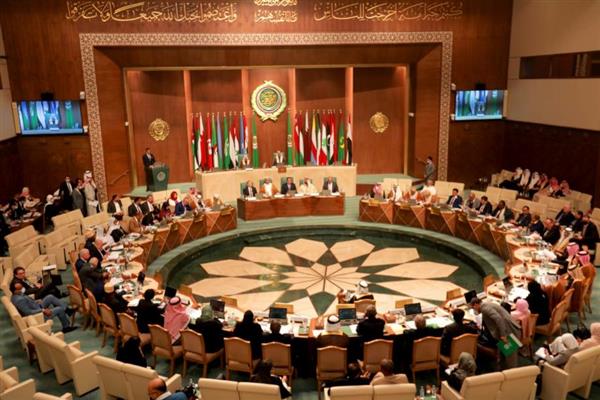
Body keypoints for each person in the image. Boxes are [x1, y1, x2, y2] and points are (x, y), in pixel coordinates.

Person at [470, 297, 520, 369]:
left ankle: (512, 374)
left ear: (475, 304)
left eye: (473, 308)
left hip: (508, 332)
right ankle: (502, 371)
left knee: (510, 359)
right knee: (502, 356)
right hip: (505, 330)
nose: (474, 310)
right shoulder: (486, 305)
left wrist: (503, 335)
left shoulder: (484, 308)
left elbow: (498, 319)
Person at [11, 282, 77, 333]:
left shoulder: (15, 295)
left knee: (50, 297)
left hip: (37, 306)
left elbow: (28, 302)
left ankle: (67, 310)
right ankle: (66, 327)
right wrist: (42, 310)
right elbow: (28, 312)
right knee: (59, 309)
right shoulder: (19, 300)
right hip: (38, 315)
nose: (22, 289)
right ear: (15, 290)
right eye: (20, 289)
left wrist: (36, 301)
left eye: (21, 287)